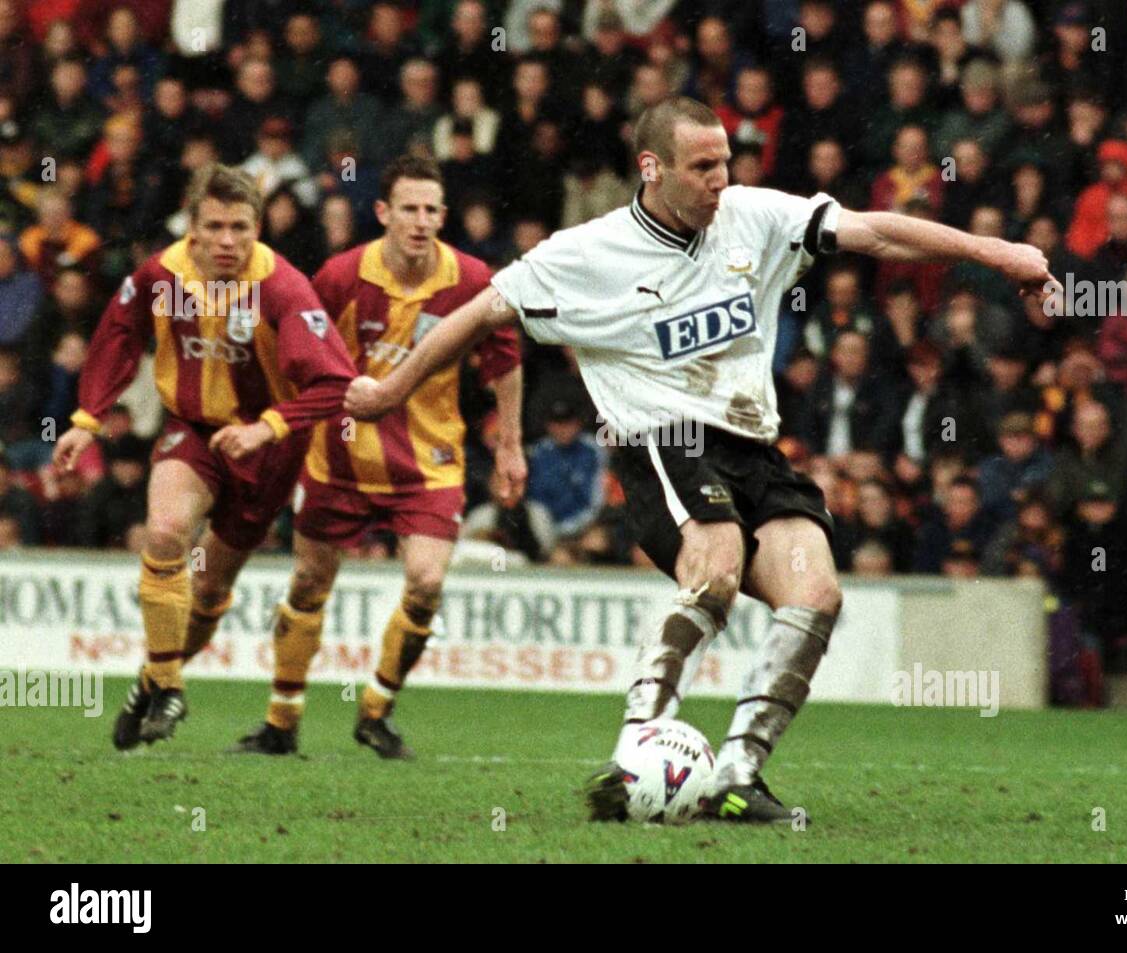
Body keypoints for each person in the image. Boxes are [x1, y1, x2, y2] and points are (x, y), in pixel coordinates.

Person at [343, 97, 1051, 822]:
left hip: (754, 444)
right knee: (714, 564)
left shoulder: (754, 215)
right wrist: (392, 388)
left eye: (726, 162)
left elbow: (875, 233)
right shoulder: (585, 253)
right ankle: (636, 751)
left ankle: (738, 775)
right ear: (652, 169)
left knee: (817, 592)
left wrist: (999, 253)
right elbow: (480, 312)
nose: (721, 179)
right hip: (662, 439)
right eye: (703, 166)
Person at [52, 164, 357, 750]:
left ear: (258, 228)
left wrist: (267, 428)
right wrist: (87, 419)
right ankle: (171, 687)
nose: (226, 241)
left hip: (268, 452)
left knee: (210, 592)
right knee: (165, 533)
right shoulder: (161, 274)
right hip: (192, 431)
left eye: (240, 227)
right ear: (190, 227)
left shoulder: (284, 287)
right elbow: (118, 332)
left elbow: (333, 382)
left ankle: (152, 678)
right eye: (213, 226)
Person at [232, 155, 523, 759]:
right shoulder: (340, 276)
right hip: (337, 458)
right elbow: (296, 348)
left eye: (431, 210)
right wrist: (273, 428)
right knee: (310, 580)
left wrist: (510, 447)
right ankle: (280, 722)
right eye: (409, 208)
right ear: (384, 213)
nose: (420, 221)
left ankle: (376, 710)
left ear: (444, 215)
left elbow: (504, 362)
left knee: (425, 583)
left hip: (430, 461)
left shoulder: (472, 280)